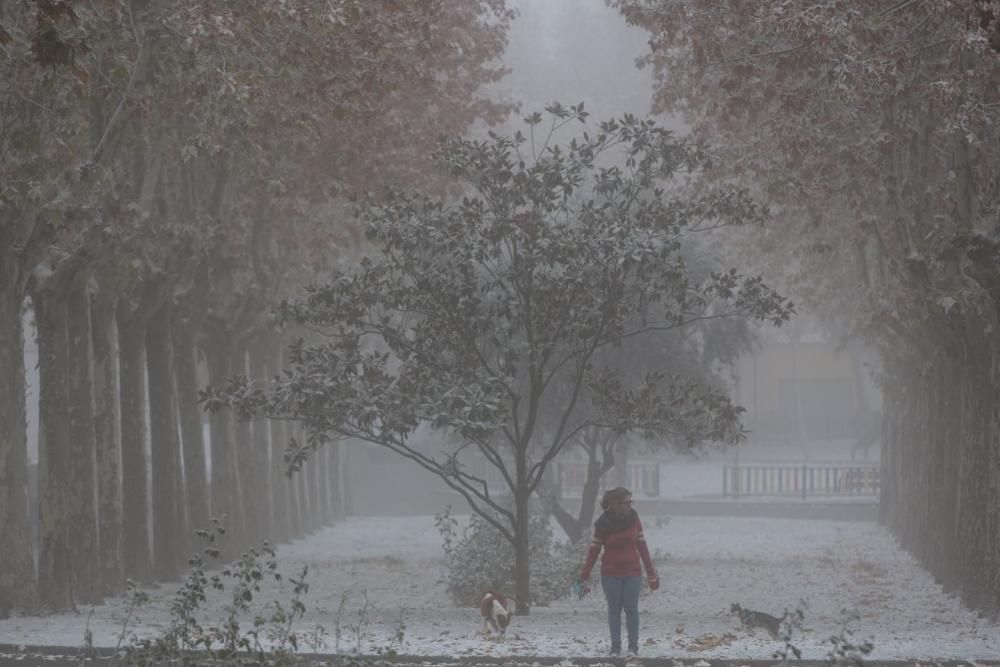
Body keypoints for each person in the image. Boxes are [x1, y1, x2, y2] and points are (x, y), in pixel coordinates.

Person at [578, 486, 659, 658]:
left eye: (631, 501)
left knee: (631, 608)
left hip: (632, 571)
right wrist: (583, 576)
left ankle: (633, 647)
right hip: (610, 573)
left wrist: (651, 573)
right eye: (626, 502)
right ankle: (615, 646)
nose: (630, 505)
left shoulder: (634, 519)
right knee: (614, 609)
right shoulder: (603, 524)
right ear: (615, 504)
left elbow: (642, 547)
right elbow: (593, 551)